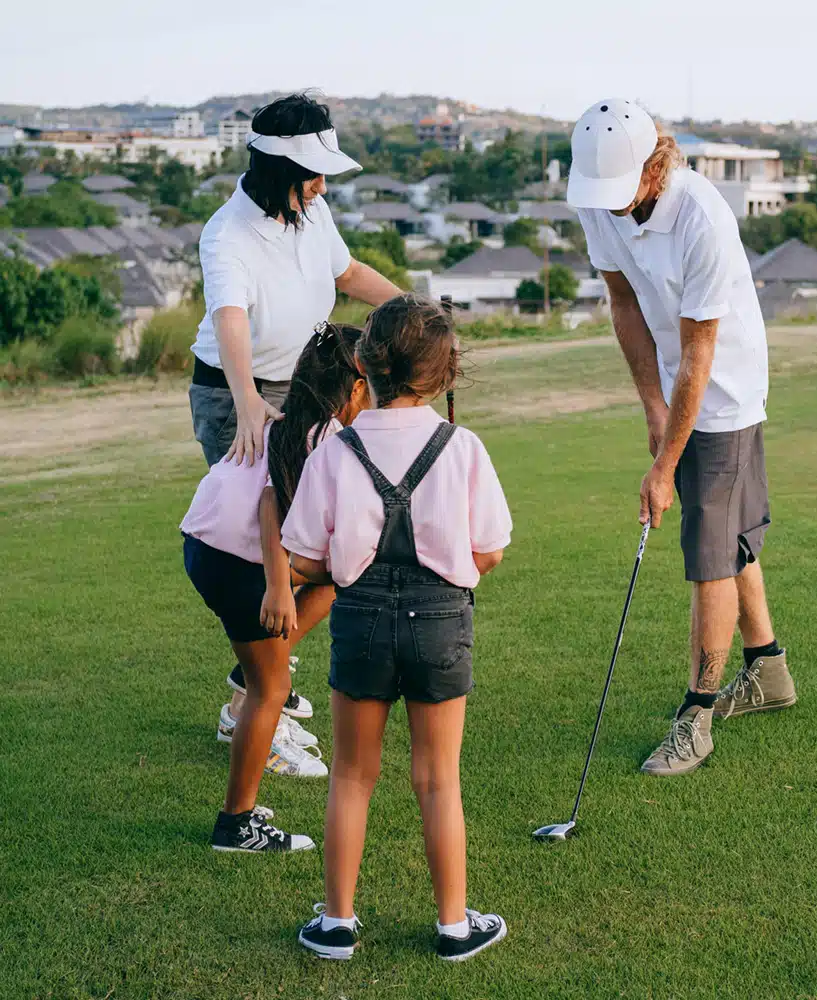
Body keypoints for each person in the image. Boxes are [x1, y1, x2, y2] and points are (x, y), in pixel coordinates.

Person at [567, 99, 797, 777]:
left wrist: (664, 464)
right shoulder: (599, 203)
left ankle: (695, 717)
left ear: (655, 165)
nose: (608, 206)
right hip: (676, 384)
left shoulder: (702, 217)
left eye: (620, 191)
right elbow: (624, 304)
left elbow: (701, 357)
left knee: (708, 552)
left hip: (722, 392)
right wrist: (651, 407)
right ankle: (769, 669)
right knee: (722, 532)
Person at [281, 295, 512, 962]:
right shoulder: (462, 446)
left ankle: (337, 924)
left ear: (363, 363)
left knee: (352, 775)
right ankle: (452, 926)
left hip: (360, 618)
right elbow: (490, 549)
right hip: (441, 617)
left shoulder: (335, 450)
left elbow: (301, 556)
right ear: (445, 375)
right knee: (439, 778)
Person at [188, 92, 401, 719]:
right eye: (313, 177)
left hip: (306, 388)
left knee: (317, 543)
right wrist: (249, 400)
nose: (322, 190)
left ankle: (259, 675)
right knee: (267, 548)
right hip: (238, 396)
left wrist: (414, 310)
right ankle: (256, 696)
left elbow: (349, 273)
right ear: (280, 172)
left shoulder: (308, 214)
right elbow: (230, 320)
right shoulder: (227, 234)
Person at [181, 323, 369, 852]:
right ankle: (236, 824)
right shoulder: (323, 436)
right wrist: (277, 588)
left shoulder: (295, 419)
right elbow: (270, 504)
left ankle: (258, 662)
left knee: (337, 576)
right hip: (238, 558)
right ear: (355, 389)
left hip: (203, 544)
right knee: (272, 691)